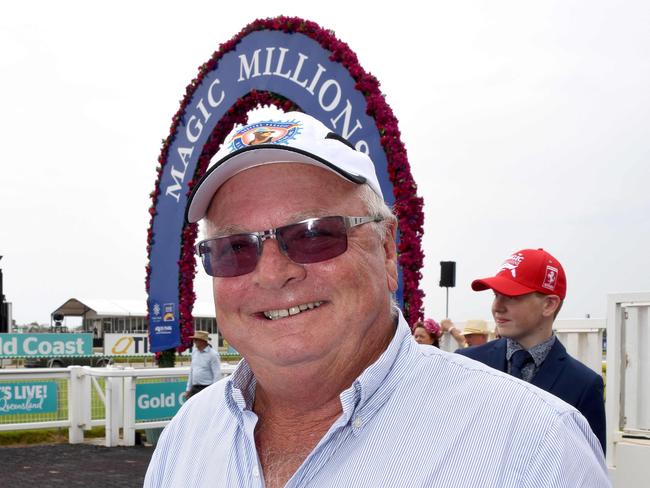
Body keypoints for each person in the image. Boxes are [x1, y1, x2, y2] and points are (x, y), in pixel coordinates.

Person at [145, 112, 610, 487]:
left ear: (388, 250)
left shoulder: (534, 448)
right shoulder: (187, 436)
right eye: (234, 248)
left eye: (314, 234)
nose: (272, 272)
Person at [456, 248, 607, 454]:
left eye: (511, 296)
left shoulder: (583, 386)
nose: (497, 307)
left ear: (549, 304)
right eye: (496, 295)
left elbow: (588, 476)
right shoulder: (466, 364)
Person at [184, 330, 221, 399]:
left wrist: (214, 391)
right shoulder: (194, 352)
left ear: (203, 341)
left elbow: (217, 374)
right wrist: (188, 389)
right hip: (194, 388)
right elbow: (192, 371)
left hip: (207, 387)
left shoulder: (213, 355)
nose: (194, 342)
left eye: (196, 340)